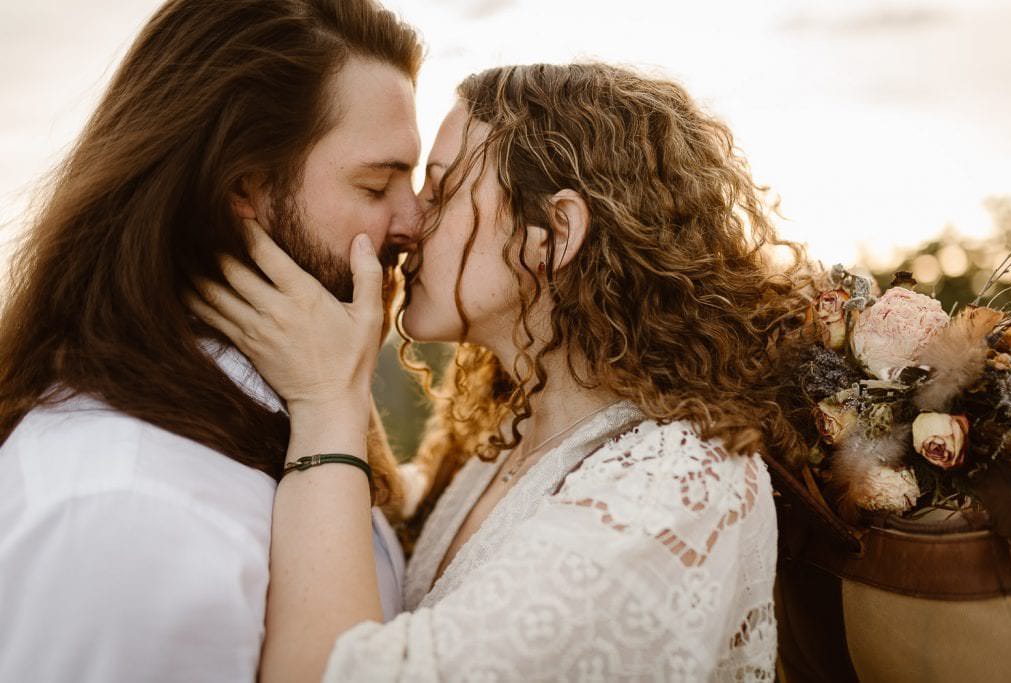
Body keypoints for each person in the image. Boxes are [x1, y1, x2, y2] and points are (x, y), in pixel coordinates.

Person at [193, 62, 809, 681]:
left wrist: (327, 404)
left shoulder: (677, 484)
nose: (408, 227)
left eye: (440, 190)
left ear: (554, 233)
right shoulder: (511, 435)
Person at [0, 1, 423, 681]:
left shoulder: (288, 416)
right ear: (244, 188)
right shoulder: (123, 507)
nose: (414, 220)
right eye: (377, 183)